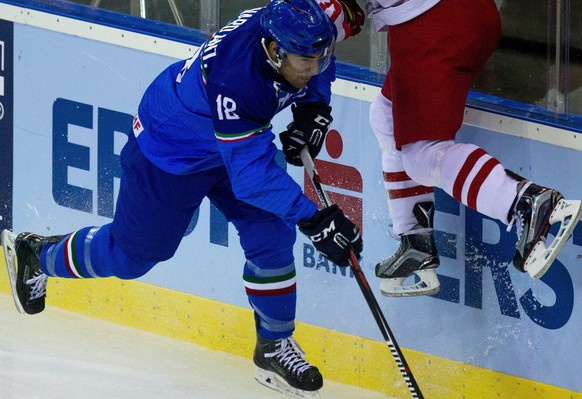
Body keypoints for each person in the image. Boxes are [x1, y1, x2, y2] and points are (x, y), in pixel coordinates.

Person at [1, 1, 364, 397]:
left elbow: (324, 58)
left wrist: (314, 107)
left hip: (230, 143)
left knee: (272, 238)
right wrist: (314, 219)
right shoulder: (236, 80)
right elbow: (250, 179)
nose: (313, 69)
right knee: (131, 258)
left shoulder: (306, 26)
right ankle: (39, 255)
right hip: (172, 151)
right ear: (273, 51)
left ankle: (274, 345)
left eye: (319, 58)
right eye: (303, 63)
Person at [366, 0, 582, 297]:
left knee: (421, 155)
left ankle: (525, 202)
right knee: (385, 114)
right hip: (466, 12)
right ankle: (414, 241)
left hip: (431, 21)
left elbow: (326, 16)